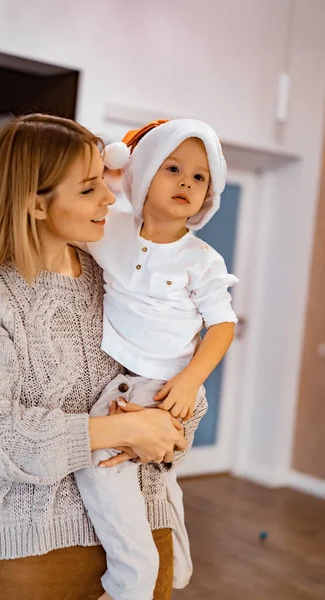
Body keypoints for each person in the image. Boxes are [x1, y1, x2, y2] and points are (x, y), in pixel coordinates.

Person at [0, 113, 189, 600]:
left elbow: (178, 387)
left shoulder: (117, 274)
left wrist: (171, 425)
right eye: (88, 188)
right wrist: (123, 429)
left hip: (144, 531)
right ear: (35, 203)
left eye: (106, 181)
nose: (110, 199)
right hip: (36, 549)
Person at [74, 119, 238, 600]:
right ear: (142, 174)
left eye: (200, 177)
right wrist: (107, 170)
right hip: (118, 376)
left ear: (209, 192)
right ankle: (176, 557)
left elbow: (222, 325)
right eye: (172, 168)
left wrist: (189, 382)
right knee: (154, 475)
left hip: (164, 384)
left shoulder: (202, 260)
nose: (187, 182)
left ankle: (133, 576)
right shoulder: (112, 230)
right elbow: (75, 215)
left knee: (102, 464)